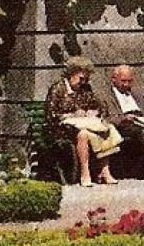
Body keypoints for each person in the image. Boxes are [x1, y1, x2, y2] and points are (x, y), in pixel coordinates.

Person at [44, 57, 122, 188]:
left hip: (84, 123)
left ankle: (105, 171)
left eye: (86, 79)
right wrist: (72, 114)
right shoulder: (58, 89)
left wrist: (92, 112)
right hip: (61, 128)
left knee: (106, 129)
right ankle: (85, 173)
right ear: (72, 73)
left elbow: (98, 106)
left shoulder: (86, 88)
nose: (84, 82)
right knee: (84, 134)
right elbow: (51, 114)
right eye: (81, 78)